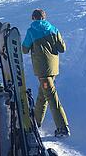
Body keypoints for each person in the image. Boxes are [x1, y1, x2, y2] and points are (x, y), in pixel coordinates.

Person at [22, 9, 69, 138]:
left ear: (33, 18)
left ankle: (62, 127)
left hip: (42, 71)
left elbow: (24, 49)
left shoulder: (32, 31)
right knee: (42, 97)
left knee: (52, 98)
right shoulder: (53, 29)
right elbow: (62, 48)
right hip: (53, 69)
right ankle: (36, 123)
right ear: (44, 17)